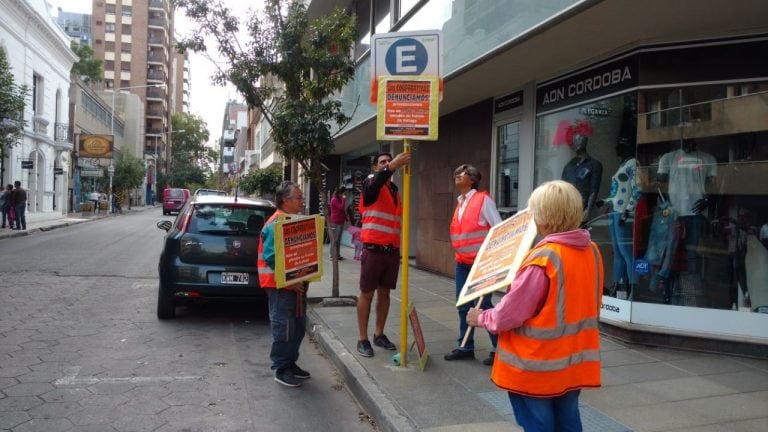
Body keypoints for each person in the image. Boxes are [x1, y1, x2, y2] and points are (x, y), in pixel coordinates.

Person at [468, 180, 604, 432]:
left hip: (537, 366)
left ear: (544, 217)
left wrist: (481, 317)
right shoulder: (592, 251)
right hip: (573, 363)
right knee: (568, 422)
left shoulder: (544, 258)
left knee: (538, 426)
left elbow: (508, 315)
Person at [445, 164, 501, 365]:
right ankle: (465, 346)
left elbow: (498, 229)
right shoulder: (461, 202)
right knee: (463, 305)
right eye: (457, 172)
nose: (457, 175)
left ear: (473, 179)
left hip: (481, 264)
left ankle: (498, 349)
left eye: (462, 173)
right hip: (462, 263)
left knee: (483, 306)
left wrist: (493, 261)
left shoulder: (482, 200)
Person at [356, 151, 411, 357]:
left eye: (389, 160)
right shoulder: (371, 183)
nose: (387, 163)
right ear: (375, 167)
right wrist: (392, 166)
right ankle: (362, 339)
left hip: (391, 251)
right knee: (367, 294)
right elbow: (373, 187)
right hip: (373, 249)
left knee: (385, 293)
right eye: (383, 162)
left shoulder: (394, 190)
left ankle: (379, 334)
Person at [258, 181, 311, 388]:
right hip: (280, 287)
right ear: (285, 200)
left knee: (297, 327)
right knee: (284, 327)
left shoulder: (291, 220)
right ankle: (281, 368)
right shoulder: (275, 224)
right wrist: (292, 280)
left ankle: (290, 363)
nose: (301, 201)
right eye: (298, 197)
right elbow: (273, 257)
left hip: (294, 286)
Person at [601, 138, 640, 298]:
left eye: (620, 147)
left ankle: (632, 289)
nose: (616, 150)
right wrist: (605, 202)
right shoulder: (623, 165)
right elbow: (617, 192)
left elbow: (637, 189)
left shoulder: (632, 164)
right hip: (615, 211)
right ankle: (618, 287)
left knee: (626, 252)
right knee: (618, 252)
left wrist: (628, 210)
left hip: (623, 213)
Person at [561, 134, 603, 223]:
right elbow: (562, 190)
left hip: (583, 208)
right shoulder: (568, 166)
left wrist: (588, 210)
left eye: (580, 140)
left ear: (585, 142)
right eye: (575, 140)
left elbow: (594, 190)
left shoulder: (594, 164)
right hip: (568, 209)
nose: (577, 143)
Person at [329, 186, 348, 260]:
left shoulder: (339, 199)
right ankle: (332, 255)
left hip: (341, 221)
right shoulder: (334, 199)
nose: (345, 195)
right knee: (334, 240)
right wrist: (343, 198)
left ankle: (337, 255)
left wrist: (346, 218)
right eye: (344, 193)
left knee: (339, 240)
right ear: (340, 193)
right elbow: (341, 207)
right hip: (335, 222)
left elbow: (342, 211)